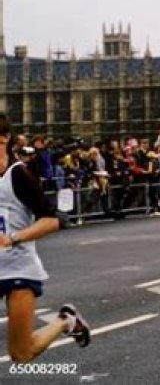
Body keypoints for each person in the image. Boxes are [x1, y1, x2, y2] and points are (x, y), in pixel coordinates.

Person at [0, 114, 90, 362]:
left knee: (21, 353)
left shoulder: (18, 175)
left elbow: (51, 220)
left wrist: (13, 238)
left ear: (4, 138)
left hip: (17, 269)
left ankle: (65, 321)